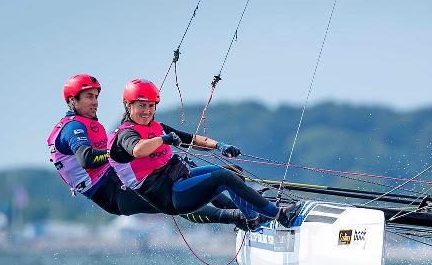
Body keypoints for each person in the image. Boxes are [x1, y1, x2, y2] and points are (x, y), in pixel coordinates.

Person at [46, 74, 249, 227]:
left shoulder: (84, 123)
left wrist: (218, 146)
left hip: (116, 178)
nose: (95, 102)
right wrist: (117, 152)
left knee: (185, 172)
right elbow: (87, 159)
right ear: (72, 100)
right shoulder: (73, 128)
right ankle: (239, 218)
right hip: (111, 193)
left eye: (96, 96)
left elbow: (187, 139)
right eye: (89, 96)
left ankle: (241, 208)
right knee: (175, 201)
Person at [107, 78, 301, 228]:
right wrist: (164, 140)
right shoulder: (125, 134)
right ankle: (280, 216)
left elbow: (191, 139)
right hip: (171, 196)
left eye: (151, 106)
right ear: (128, 105)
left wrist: (220, 146)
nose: (147, 111)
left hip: (179, 179)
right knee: (223, 177)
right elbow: (138, 149)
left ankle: (253, 219)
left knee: (232, 172)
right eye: (141, 105)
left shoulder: (156, 127)